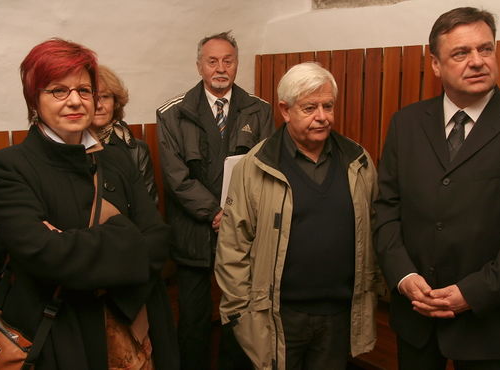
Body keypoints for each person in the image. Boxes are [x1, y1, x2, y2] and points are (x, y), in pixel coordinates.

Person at [374, 7, 500, 370]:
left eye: (485, 49)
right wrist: (404, 276)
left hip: (487, 323)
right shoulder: (407, 123)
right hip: (416, 316)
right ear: (435, 64)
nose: (477, 61)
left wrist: (470, 293)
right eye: (461, 53)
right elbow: (387, 209)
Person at [0, 38, 179, 369]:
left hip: (137, 330)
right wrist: (128, 236)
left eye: (84, 90)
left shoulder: (120, 160)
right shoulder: (9, 167)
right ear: (34, 100)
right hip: (62, 335)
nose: (75, 101)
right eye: (58, 91)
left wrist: (70, 243)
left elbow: (159, 240)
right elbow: (46, 256)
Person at [215, 62, 380, 370]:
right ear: (285, 110)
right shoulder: (254, 167)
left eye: (328, 106)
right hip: (277, 317)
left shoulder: (358, 162)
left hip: (338, 315)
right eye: (310, 108)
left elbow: (376, 230)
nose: (322, 116)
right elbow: (232, 247)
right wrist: (242, 315)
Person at [156, 31, 275, 369]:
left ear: (237, 65)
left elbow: (264, 168)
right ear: (199, 66)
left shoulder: (259, 110)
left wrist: (235, 214)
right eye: (212, 61)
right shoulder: (172, 113)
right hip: (193, 231)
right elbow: (176, 176)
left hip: (242, 230)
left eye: (228, 60)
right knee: (193, 318)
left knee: (240, 314)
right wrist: (214, 212)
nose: (220, 68)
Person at [91, 64, 158, 203]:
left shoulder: (136, 150)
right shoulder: (70, 146)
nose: (99, 105)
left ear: (115, 102)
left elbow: (149, 205)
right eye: (93, 98)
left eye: (105, 97)